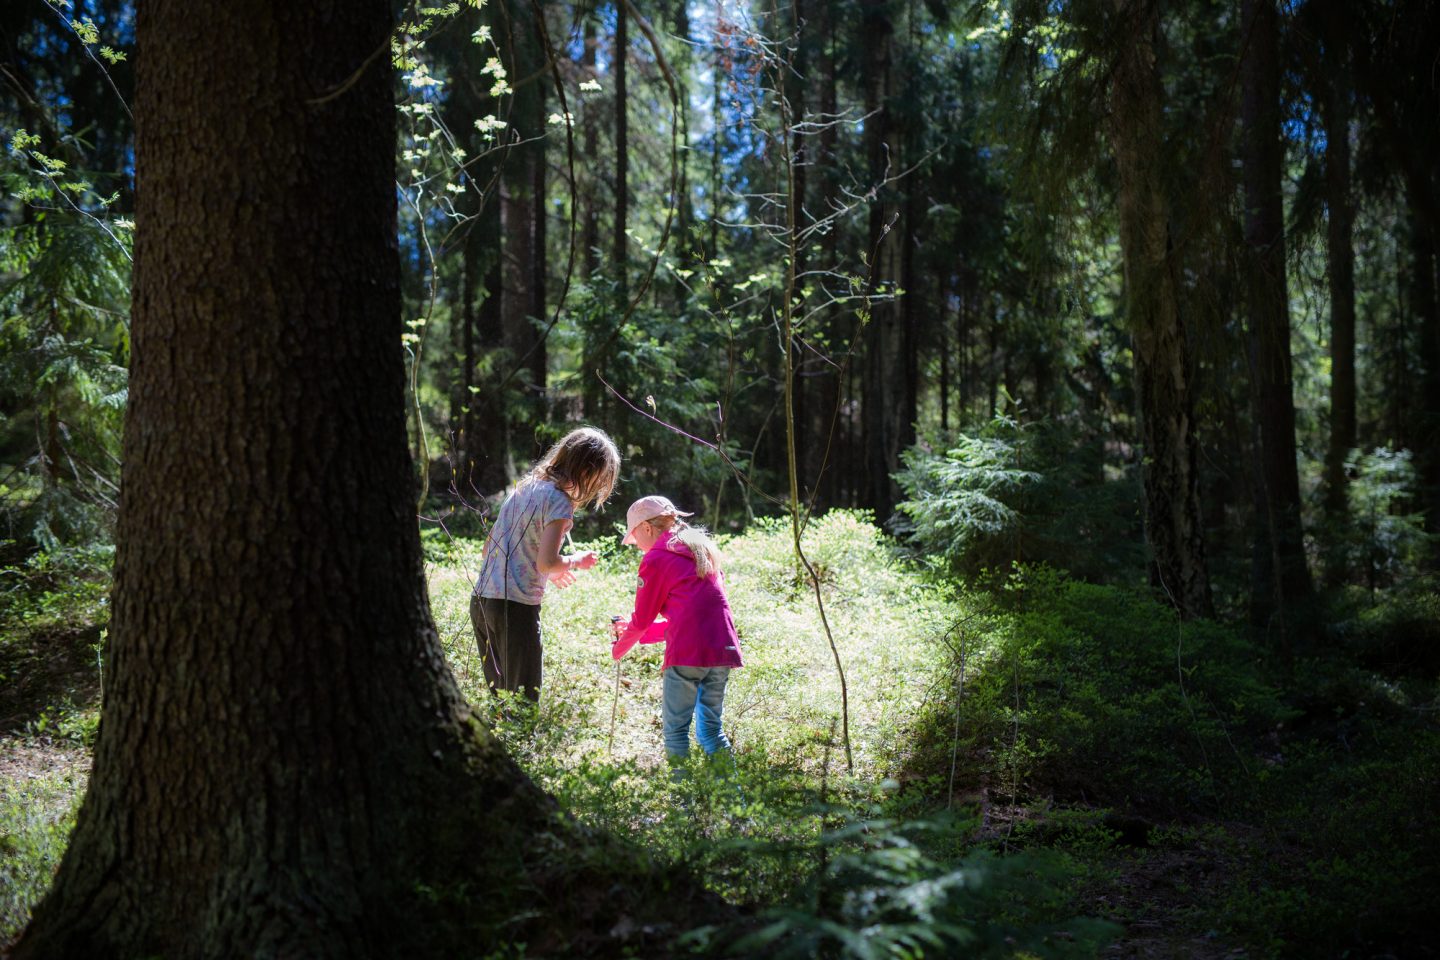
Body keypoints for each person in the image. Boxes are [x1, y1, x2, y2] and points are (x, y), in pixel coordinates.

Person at [472, 427, 620, 702]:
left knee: (501, 698)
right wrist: (576, 561)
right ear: (587, 471)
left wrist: (550, 572)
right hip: (515, 610)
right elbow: (547, 561)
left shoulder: (523, 488)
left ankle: (499, 743)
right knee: (524, 700)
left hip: (481, 600)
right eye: (599, 479)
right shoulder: (558, 502)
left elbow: (488, 548)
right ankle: (519, 745)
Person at [611, 495, 743, 766]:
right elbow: (691, 618)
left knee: (676, 734)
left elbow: (641, 620)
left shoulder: (657, 558)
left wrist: (618, 649)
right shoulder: (701, 549)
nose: (636, 546)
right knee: (711, 731)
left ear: (647, 528)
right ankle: (733, 804)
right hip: (722, 650)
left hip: (686, 656)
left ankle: (680, 806)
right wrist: (638, 636)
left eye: (635, 537)